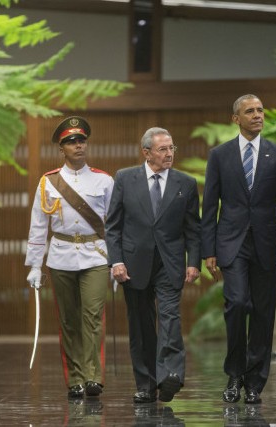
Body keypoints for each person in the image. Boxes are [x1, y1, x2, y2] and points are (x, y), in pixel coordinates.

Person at [201, 94, 276, 404]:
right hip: (231, 244)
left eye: (260, 110)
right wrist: (209, 250)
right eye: (250, 111)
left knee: (263, 313)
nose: (257, 115)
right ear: (236, 119)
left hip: (268, 244)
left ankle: (255, 381)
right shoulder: (220, 155)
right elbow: (209, 206)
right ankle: (234, 373)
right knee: (238, 303)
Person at [105, 127, 200, 404]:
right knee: (141, 325)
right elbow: (113, 226)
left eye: (172, 148)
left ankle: (170, 376)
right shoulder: (125, 178)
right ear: (146, 153)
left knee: (170, 318)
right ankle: (146, 384)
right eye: (163, 149)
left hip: (170, 263)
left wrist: (193, 262)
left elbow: (193, 228)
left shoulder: (186, 183)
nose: (169, 154)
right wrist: (117, 261)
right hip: (133, 264)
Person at [25, 116, 113, 399]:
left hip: (96, 256)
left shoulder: (104, 180)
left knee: (92, 316)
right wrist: (35, 266)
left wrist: (118, 260)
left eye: (81, 140)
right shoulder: (48, 182)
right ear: (61, 149)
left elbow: (114, 225)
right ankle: (75, 378)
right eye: (71, 142)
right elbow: (38, 226)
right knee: (69, 320)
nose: (77, 145)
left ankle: (93, 376)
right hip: (61, 257)